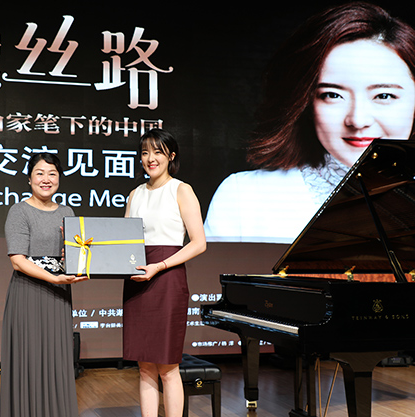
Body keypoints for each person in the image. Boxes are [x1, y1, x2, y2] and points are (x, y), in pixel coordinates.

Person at [204, 2, 415, 243]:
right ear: (306, 104)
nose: (358, 120)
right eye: (333, 95)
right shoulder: (246, 198)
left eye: (384, 96)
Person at [123, 129, 206, 417]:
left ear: (171, 156)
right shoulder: (134, 194)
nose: (150, 158)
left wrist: (160, 266)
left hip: (168, 279)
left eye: (157, 152)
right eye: (145, 152)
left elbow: (199, 243)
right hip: (137, 280)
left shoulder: (181, 190)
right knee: (144, 365)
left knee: (168, 367)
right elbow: (123, 242)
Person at [0, 153, 87, 417]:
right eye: (39, 173)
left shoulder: (67, 212)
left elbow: (73, 255)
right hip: (29, 294)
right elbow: (18, 261)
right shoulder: (19, 211)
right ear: (29, 179)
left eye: (52, 174)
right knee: (29, 358)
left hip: (59, 296)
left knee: (57, 358)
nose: (46, 179)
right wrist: (54, 278)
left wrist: (74, 259)